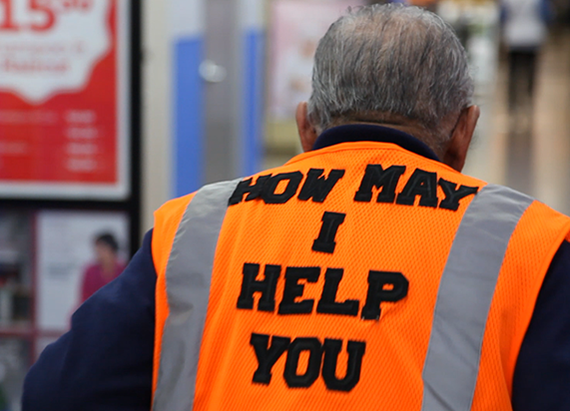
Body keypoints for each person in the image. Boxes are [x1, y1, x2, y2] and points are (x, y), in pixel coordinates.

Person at [22, 4, 570, 411]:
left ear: (307, 126)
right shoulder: (530, 247)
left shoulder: (194, 228)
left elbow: (54, 393)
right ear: (463, 133)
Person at [80, 233, 126, 303]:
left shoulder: (123, 270)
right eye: (98, 250)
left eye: (103, 250)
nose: (100, 254)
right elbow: (85, 298)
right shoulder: (91, 271)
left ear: (112, 250)